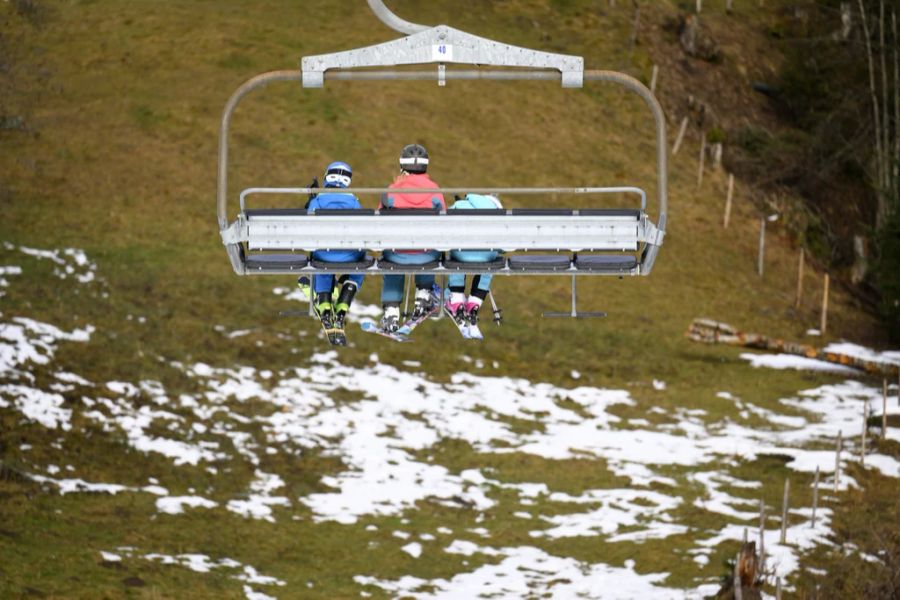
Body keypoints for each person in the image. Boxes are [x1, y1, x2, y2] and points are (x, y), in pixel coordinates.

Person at [378, 144, 446, 332]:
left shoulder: (391, 191)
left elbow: (379, 223)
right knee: (429, 247)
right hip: (426, 254)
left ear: (402, 165)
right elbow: (443, 223)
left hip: (396, 254)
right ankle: (423, 295)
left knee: (391, 257)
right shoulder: (434, 191)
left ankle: (391, 312)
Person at [303, 161, 364, 337]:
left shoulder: (319, 200)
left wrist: (311, 200)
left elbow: (308, 225)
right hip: (350, 256)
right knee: (361, 262)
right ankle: (343, 307)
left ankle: (324, 306)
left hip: (323, 254)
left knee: (320, 258)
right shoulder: (353, 201)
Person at [445, 193, 503, 337]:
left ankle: (456, 299)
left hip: (460, 254)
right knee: (489, 264)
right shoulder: (500, 215)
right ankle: (474, 304)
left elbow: (444, 230)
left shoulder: (460, 205)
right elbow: (503, 247)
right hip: (487, 256)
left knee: (456, 256)